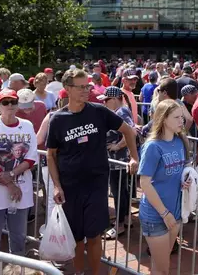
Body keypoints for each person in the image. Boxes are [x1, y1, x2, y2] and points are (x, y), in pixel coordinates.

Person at [46, 69, 139, 275]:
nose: (86, 90)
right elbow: (50, 155)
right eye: (81, 87)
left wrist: (134, 157)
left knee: (95, 236)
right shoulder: (57, 120)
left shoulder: (99, 111)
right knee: (77, 238)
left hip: (96, 184)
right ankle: (80, 272)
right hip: (70, 187)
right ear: (67, 89)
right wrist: (57, 186)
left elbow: (128, 130)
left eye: (88, 86)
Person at [0, 89, 39, 274]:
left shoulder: (26, 125)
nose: (10, 106)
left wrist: (12, 175)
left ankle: (17, 269)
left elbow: (31, 158)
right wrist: (11, 184)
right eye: (5, 102)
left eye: (13, 102)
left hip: (21, 188)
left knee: (18, 235)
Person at [138, 99, 192, 275]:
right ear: (163, 119)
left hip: (174, 212)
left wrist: (185, 179)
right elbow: (144, 183)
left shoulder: (179, 142)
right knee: (163, 269)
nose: (181, 121)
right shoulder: (153, 146)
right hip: (156, 215)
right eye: (176, 117)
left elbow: (180, 170)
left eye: (181, 117)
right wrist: (164, 213)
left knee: (161, 265)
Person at [99, 86, 138, 240]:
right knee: (122, 191)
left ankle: (120, 225)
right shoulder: (121, 111)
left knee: (118, 192)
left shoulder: (121, 112)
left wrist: (117, 146)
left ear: (115, 99)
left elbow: (132, 131)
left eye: (107, 100)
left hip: (119, 161)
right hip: (119, 161)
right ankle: (126, 219)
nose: (105, 103)